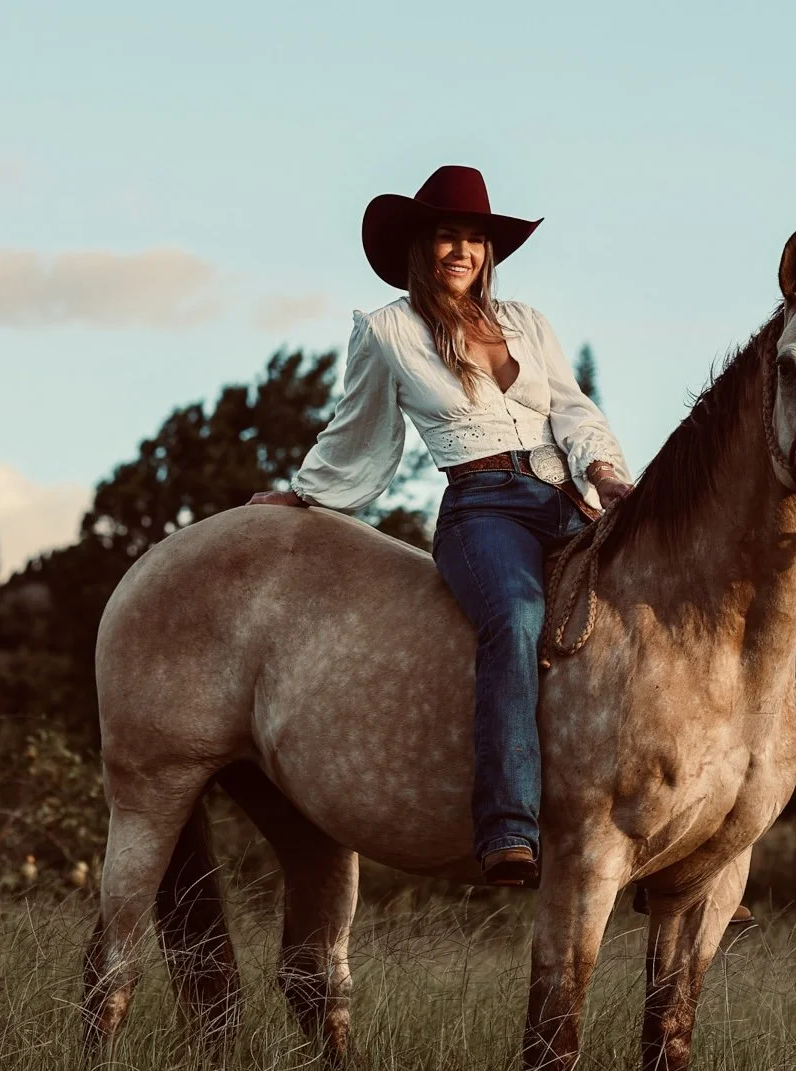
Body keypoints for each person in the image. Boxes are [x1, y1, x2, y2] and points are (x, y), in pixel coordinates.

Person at [248, 165, 632, 889]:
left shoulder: (528, 323)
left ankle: (664, 835)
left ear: (489, 252)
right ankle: (508, 827)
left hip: (567, 498)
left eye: (475, 238)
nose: (462, 250)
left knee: (648, 611)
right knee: (515, 616)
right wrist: (306, 495)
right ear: (421, 247)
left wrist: (605, 471)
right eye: (447, 236)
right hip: (481, 507)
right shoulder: (388, 329)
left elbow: (573, 409)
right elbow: (357, 429)